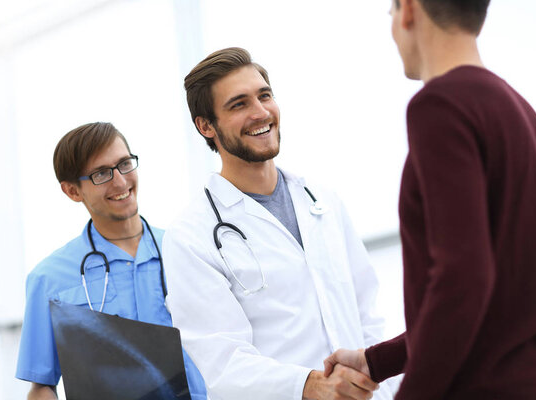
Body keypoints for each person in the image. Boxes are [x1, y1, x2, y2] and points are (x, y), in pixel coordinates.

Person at [324, 0, 536, 399]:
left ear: (410, 10)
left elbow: (463, 279)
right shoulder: (518, 109)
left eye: (391, 13)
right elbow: (502, 300)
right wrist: (378, 361)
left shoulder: (439, 106)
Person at [162, 47, 393, 400]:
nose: (260, 113)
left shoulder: (322, 200)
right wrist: (311, 385)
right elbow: (224, 364)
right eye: (239, 104)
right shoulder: (191, 237)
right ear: (206, 126)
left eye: (264, 96)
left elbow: (368, 316)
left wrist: (390, 386)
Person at [16, 122, 207, 399]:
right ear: (72, 191)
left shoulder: (189, 252)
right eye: (101, 174)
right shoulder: (49, 279)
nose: (120, 181)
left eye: (125, 164)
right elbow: (42, 385)